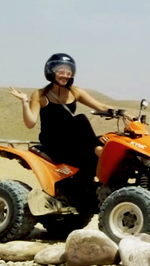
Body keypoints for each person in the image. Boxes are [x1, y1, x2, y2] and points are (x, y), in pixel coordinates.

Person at [8, 53, 114, 207]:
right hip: (53, 141)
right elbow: (30, 122)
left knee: (94, 158)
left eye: (68, 72)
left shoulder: (75, 91)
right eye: (61, 71)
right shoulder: (40, 94)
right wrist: (25, 102)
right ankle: (98, 148)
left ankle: (85, 194)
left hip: (71, 140)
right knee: (81, 119)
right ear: (51, 71)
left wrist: (124, 114)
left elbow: (101, 106)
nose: (65, 75)